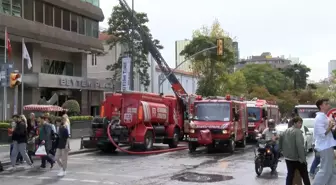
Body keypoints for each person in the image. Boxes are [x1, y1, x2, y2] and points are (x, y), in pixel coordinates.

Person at [279, 116, 310, 185]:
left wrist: (282, 151)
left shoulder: (285, 131)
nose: (300, 125)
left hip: (288, 158)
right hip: (297, 159)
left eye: (301, 123)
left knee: (290, 175)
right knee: (305, 176)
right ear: (294, 123)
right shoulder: (298, 132)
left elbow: (280, 141)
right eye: (299, 123)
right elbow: (300, 146)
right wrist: (303, 159)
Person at [312, 98, 336, 185]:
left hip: (328, 145)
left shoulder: (324, 117)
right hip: (324, 146)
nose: (328, 105)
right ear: (321, 106)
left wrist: (331, 126)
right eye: (326, 104)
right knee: (325, 171)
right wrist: (331, 126)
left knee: (332, 171)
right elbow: (323, 133)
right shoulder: (319, 118)